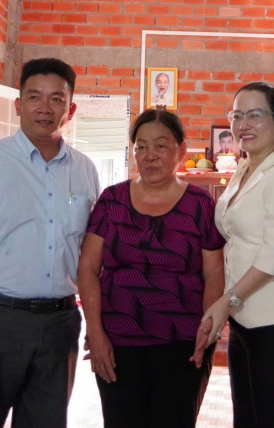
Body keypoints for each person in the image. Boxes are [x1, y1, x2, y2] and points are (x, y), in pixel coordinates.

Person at [0, 57, 100, 428]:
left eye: (56, 99)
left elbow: (91, 256)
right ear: (18, 104)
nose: (45, 108)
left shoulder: (85, 170)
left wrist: (96, 321)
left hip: (60, 324)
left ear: (71, 109)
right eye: (34, 97)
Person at [78, 109, 225, 428]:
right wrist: (95, 332)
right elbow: (88, 268)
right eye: (141, 146)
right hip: (117, 342)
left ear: (181, 151)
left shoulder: (200, 205)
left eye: (160, 145)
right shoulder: (112, 201)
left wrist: (208, 329)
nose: (150, 155)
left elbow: (214, 273)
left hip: (183, 343)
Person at [192, 82, 274, 428]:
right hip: (243, 318)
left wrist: (226, 301)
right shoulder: (243, 169)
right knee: (245, 419)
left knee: (273, 420)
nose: (243, 124)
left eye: (255, 115)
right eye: (237, 116)